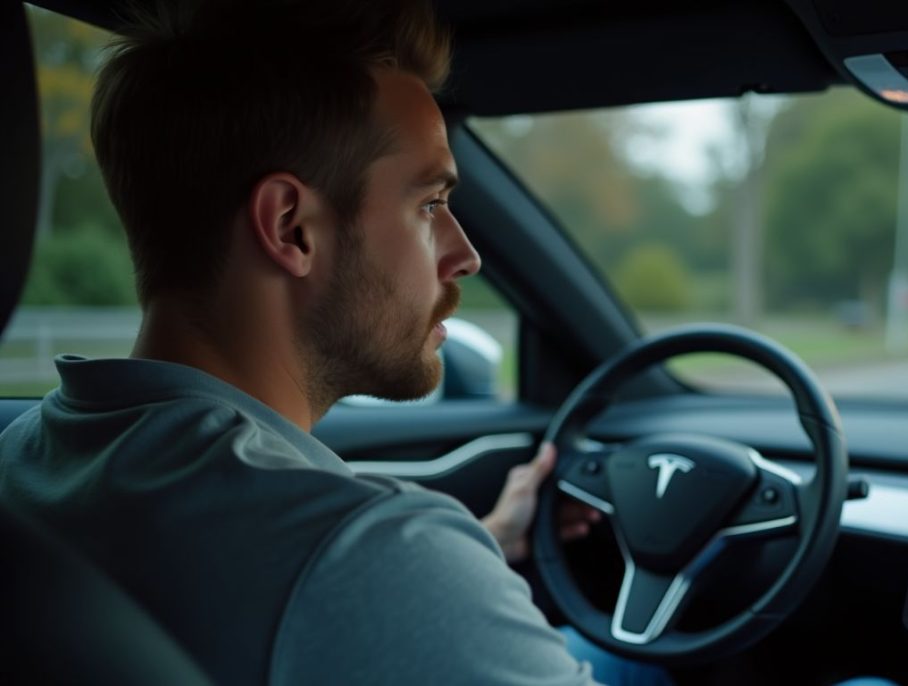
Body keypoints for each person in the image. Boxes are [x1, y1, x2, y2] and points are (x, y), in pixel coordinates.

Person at [0, 1, 665, 683]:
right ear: (292, 228)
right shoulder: (372, 554)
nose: (466, 254)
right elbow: (348, 581)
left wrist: (483, 545)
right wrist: (434, 568)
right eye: (430, 205)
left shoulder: (23, 460)